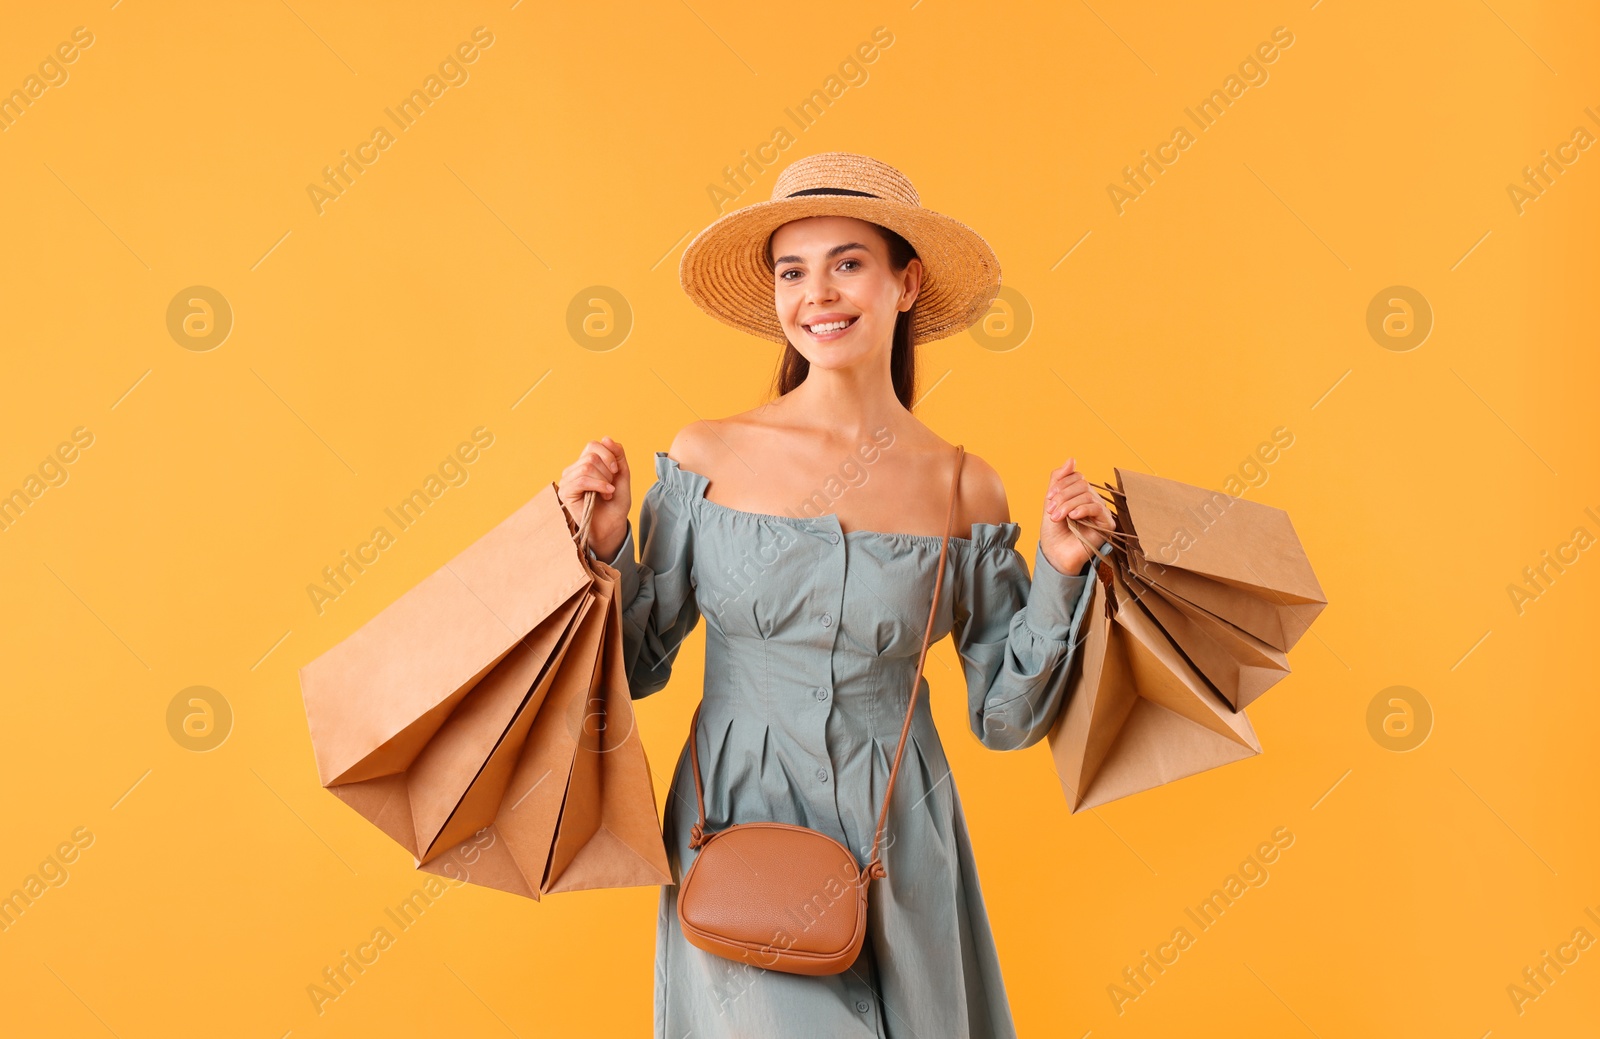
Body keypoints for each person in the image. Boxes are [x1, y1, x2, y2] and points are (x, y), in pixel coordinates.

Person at [558, 152, 1115, 1038]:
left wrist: (1061, 569)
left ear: (907, 282)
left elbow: (1005, 717)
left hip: (901, 834)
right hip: (737, 825)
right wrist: (607, 545)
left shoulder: (964, 487)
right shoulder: (708, 456)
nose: (817, 292)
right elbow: (635, 666)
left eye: (848, 262)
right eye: (793, 270)